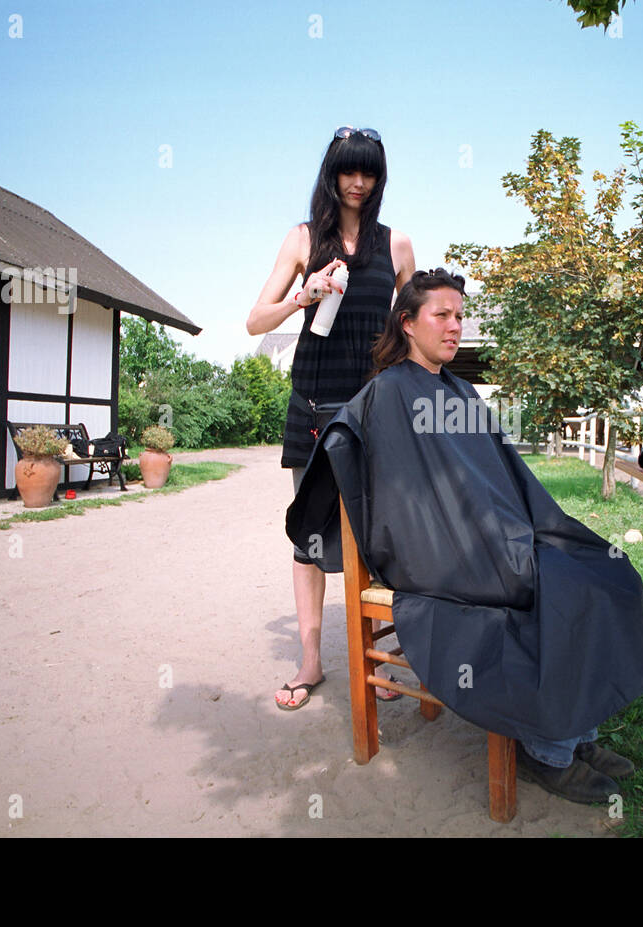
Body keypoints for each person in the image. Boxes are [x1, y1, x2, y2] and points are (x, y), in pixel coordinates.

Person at [287, 269, 643, 803]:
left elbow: (501, 478)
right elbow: (407, 501)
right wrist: (490, 540)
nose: (455, 326)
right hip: (441, 552)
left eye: (460, 316)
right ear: (408, 323)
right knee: (555, 590)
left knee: (603, 573)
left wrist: (520, 530)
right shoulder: (386, 394)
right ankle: (547, 752)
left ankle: (579, 734)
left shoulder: (460, 392)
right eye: (442, 315)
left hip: (491, 537)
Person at [247, 127, 416, 711]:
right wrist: (305, 293)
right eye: (349, 170)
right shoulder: (302, 240)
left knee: (380, 536)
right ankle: (313, 661)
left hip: (373, 409)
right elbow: (254, 321)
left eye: (368, 172)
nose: (359, 182)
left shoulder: (396, 247)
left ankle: (380, 659)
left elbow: (409, 328)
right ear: (332, 173)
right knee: (311, 535)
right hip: (314, 404)